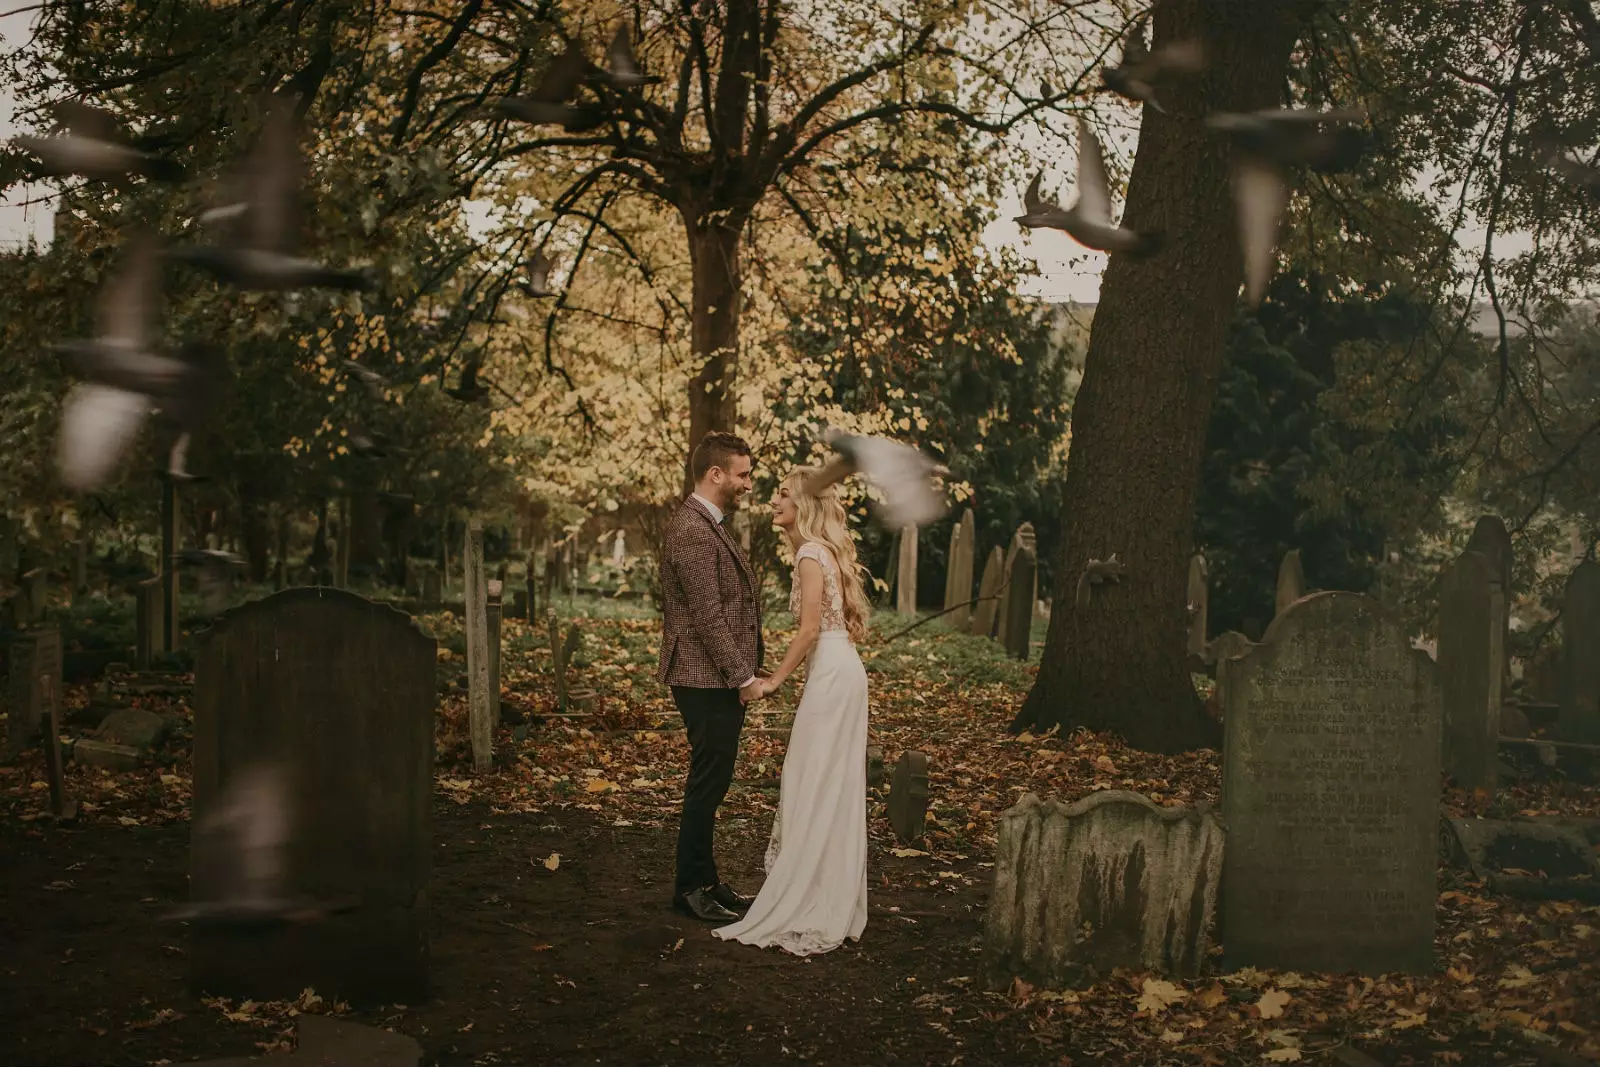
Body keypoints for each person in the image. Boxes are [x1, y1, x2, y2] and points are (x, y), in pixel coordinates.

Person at [713, 467, 871, 956]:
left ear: (803, 504)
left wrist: (771, 682)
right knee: (828, 782)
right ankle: (831, 896)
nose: (773, 501)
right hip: (842, 671)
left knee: (809, 779)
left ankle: (811, 896)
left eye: (782, 494)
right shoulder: (823, 552)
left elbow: (807, 632)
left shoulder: (808, 553)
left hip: (832, 674)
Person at [656, 431, 766, 923]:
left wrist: (746, 665)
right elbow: (707, 616)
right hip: (703, 677)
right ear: (715, 473)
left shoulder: (709, 524)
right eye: (742, 474)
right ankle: (689, 888)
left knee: (712, 781)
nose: (748, 483)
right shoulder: (692, 530)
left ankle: (706, 880)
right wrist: (742, 676)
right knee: (707, 782)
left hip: (715, 674)